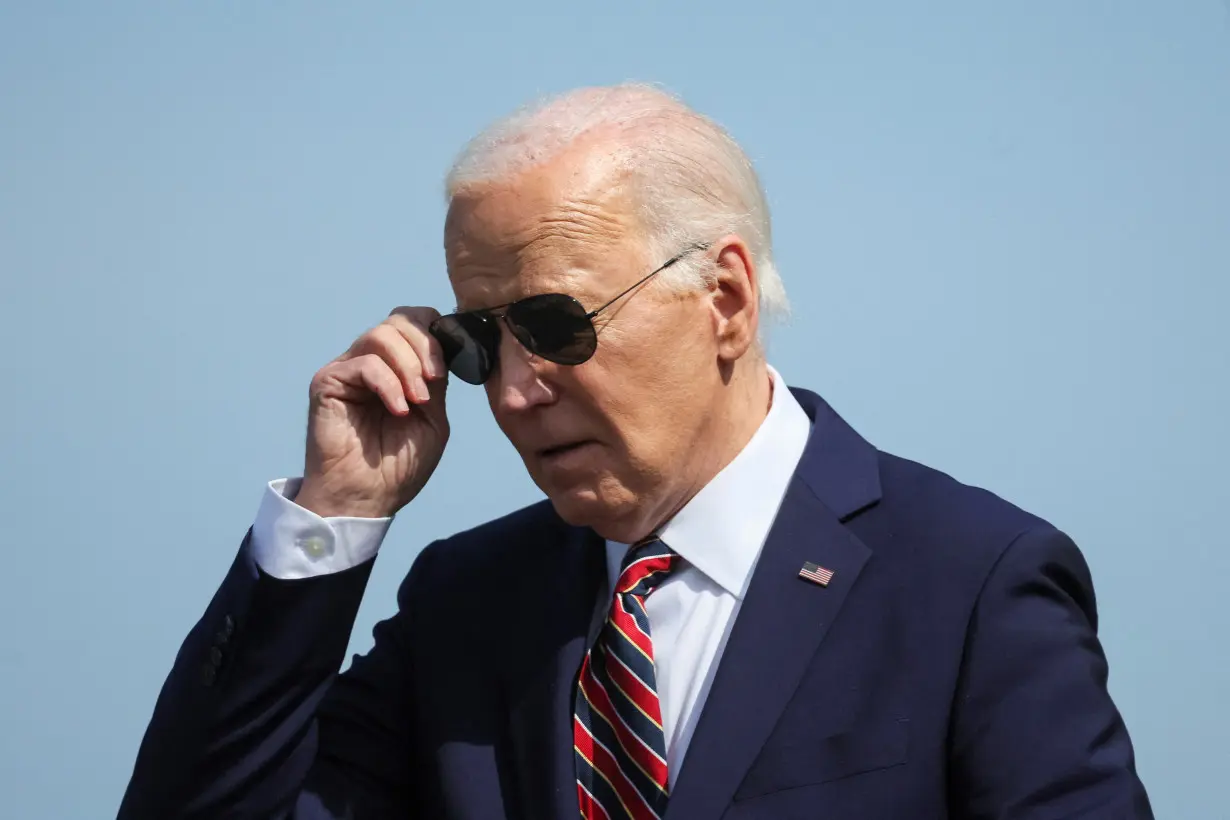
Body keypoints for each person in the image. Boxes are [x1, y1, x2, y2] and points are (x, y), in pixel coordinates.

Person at [118, 83, 1153, 819]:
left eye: (560, 323)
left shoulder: (967, 582)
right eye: (480, 342)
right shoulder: (468, 605)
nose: (517, 392)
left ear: (725, 298)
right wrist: (333, 513)